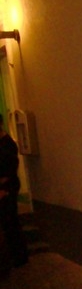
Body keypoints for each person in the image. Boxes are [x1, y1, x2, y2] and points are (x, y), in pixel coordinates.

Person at [0, 112, 28, 271]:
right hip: (5, 187)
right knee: (8, 223)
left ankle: (19, 257)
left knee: (11, 222)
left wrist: (4, 187)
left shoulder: (8, 144)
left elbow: (10, 169)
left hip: (8, 188)